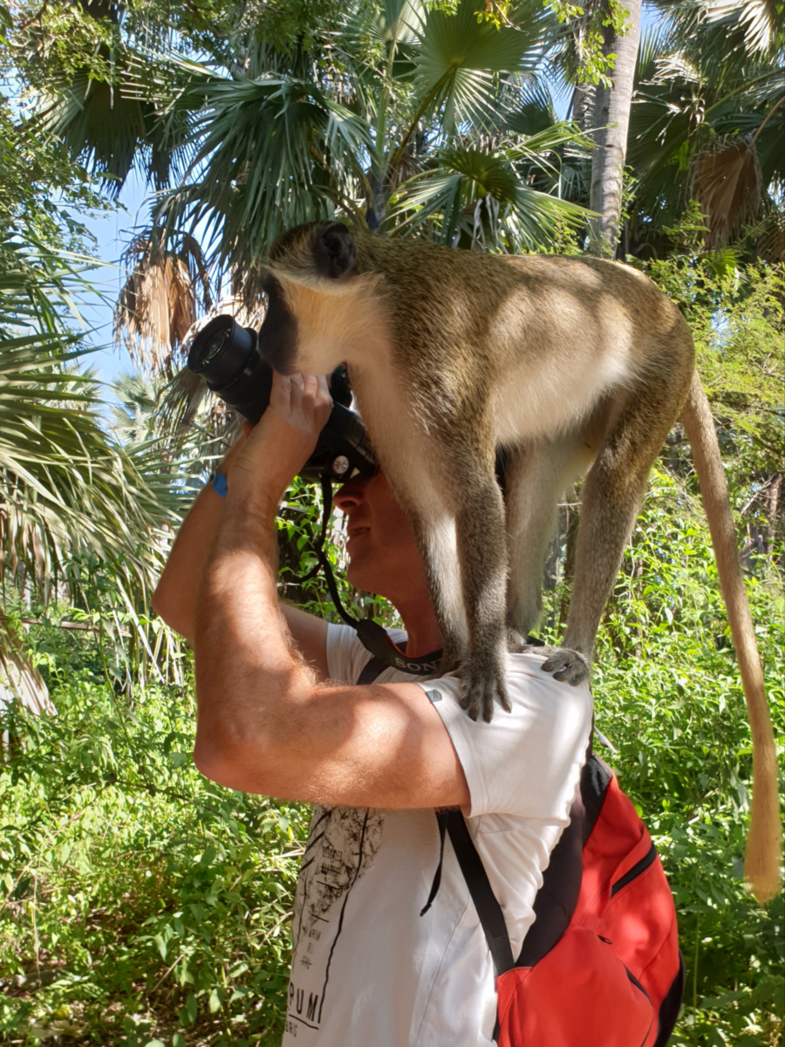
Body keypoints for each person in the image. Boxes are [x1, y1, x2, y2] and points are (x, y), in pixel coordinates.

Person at [152, 372, 593, 1046]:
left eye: (375, 466)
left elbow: (243, 740)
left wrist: (262, 487)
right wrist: (241, 459)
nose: (344, 496)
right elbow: (185, 603)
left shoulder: (531, 698)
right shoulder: (374, 662)